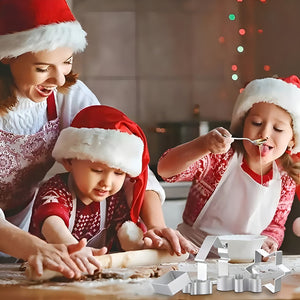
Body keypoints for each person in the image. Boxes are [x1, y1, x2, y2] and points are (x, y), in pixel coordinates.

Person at [0, 0, 195, 276]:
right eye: (43, 68)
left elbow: (119, 151)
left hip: (24, 232)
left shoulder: (68, 94)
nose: (57, 79)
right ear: (8, 56)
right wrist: (39, 248)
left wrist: (154, 225)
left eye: (66, 62)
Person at [30, 105, 186, 270]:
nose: (107, 182)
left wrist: (145, 246)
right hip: (45, 271)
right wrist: (72, 248)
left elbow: (127, 235)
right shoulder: (56, 190)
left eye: (118, 173)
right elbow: (51, 223)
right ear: (69, 161)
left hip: (90, 275)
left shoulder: (115, 200)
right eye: (97, 170)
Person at [157, 75, 300, 254]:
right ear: (243, 125)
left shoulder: (286, 179)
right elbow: (165, 170)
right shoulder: (220, 159)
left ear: (292, 140)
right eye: (256, 123)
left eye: (278, 129)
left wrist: (270, 241)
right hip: (193, 256)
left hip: (242, 264)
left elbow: (275, 225)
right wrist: (202, 145)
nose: (264, 133)